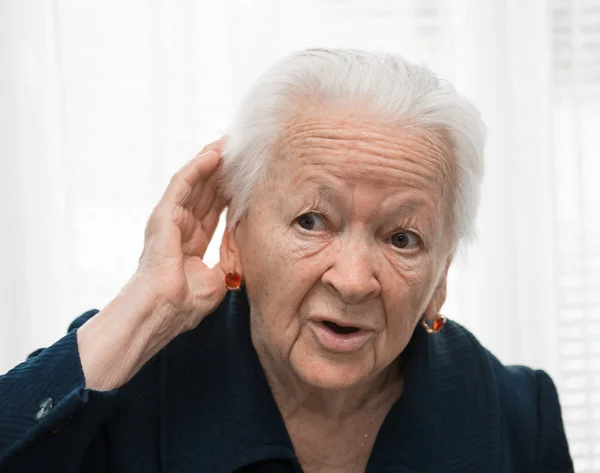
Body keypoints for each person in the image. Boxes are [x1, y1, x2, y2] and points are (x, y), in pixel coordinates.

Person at [0, 48, 573, 473]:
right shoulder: (127, 382)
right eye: (311, 221)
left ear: (441, 275)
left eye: (402, 239)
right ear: (236, 237)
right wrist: (143, 310)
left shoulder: (520, 418)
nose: (352, 282)